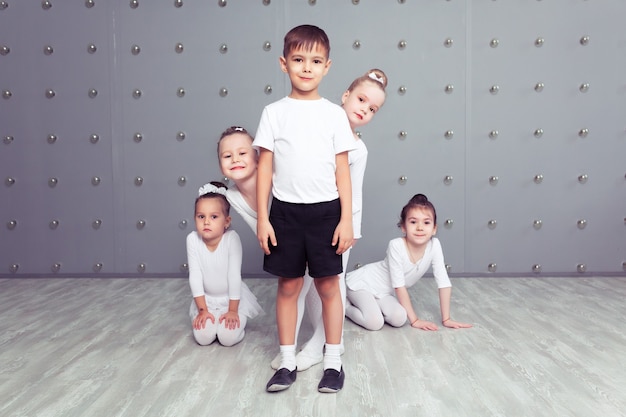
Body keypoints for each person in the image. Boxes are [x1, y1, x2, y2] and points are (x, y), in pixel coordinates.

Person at [254, 24, 354, 394]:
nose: (306, 67)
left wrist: (345, 218)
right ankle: (286, 361)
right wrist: (264, 217)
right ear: (284, 64)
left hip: (327, 212)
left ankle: (333, 362)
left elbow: (342, 168)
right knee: (288, 286)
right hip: (285, 213)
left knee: (329, 286)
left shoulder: (333, 115)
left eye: (315, 61)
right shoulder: (274, 112)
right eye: (298, 60)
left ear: (327, 66)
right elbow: (265, 165)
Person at [345, 194, 472, 331]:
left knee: (399, 318)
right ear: (403, 227)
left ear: (434, 228)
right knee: (375, 323)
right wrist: (415, 320)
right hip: (364, 285)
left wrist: (446, 319)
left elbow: (443, 282)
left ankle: (373, 305)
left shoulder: (434, 245)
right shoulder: (396, 245)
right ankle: (345, 305)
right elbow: (399, 286)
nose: (419, 227)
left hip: (386, 293)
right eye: (413, 222)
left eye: (426, 222)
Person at [187, 182, 263, 347]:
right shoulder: (192, 239)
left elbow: (234, 275)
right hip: (206, 301)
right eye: (201, 216)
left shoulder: (231, 239)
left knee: (227, 339)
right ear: (195, 218)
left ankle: (237, 326)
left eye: (214, 217)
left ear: (226, 221)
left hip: (231, 300)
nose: (206, 222)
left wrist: (233, 311)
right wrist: (203, 310)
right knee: (203, 338)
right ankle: (211, 322)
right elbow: (195, 275)